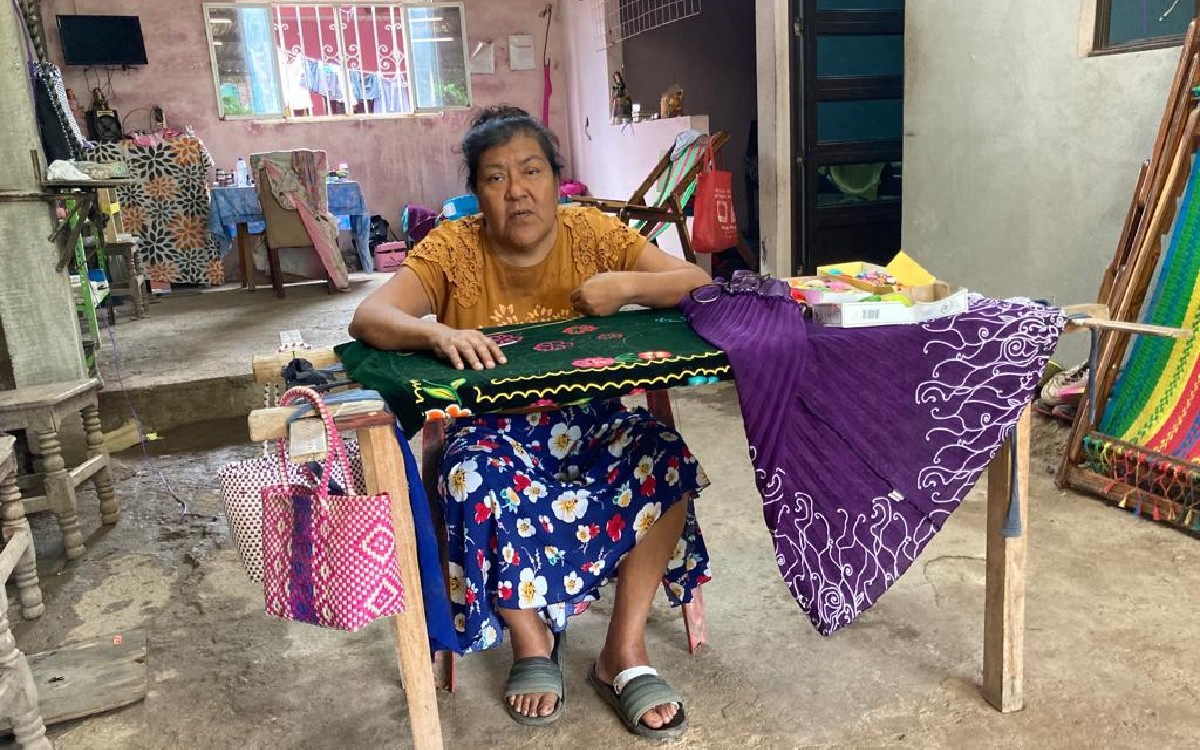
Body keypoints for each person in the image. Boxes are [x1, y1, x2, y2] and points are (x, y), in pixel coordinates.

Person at [349, 105, 712, 740]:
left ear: (555, 179)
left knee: (665, 456)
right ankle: (530, 640)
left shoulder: (593, 234)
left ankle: (622, 651)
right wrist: (436, 334)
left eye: (531, 171)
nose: (516, 191)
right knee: (468, 477)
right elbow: (369, 317)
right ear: (476, 193)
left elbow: (696, 280)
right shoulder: (454, 248)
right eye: (495, 177)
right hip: (494, 432)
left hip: (593, 422)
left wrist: (625, 285)